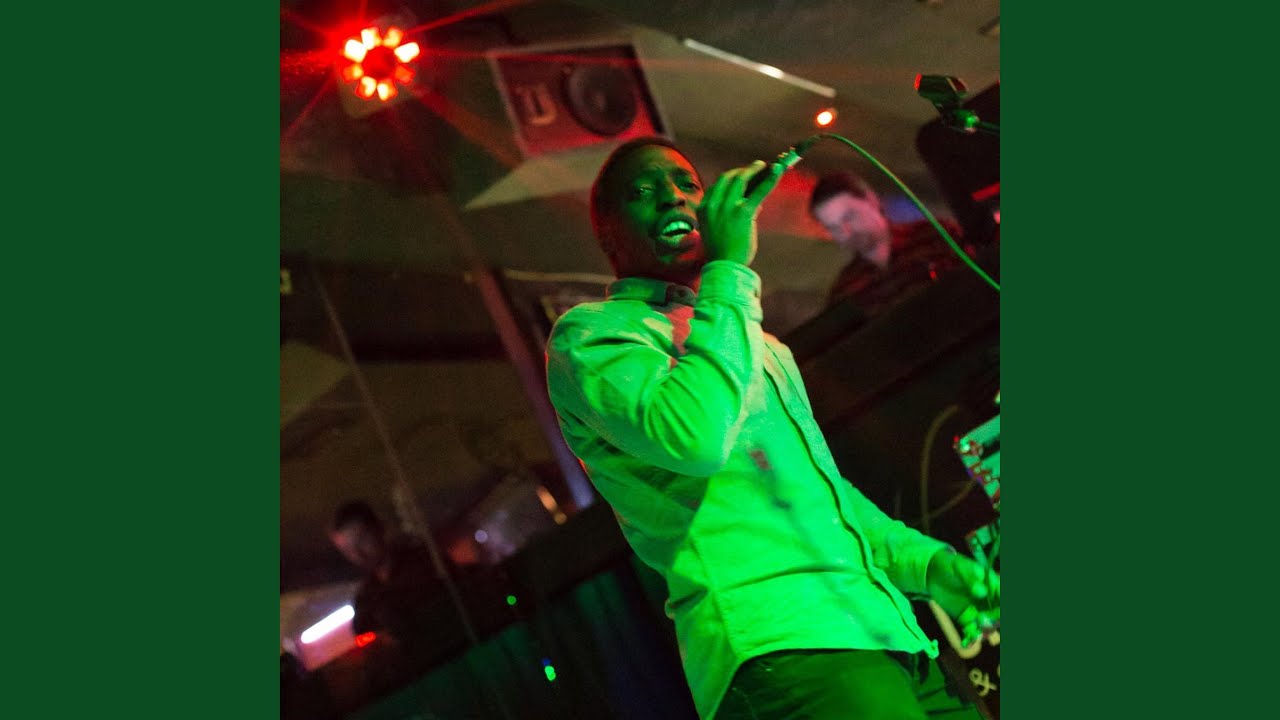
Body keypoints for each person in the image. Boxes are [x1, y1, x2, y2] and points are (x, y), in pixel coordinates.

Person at [545, 137, 999, 720]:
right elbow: (692, 437)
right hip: (781, 646)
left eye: (686, 185)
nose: (672, 198)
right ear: (607, 234)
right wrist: (729, 271)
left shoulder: (755, 342)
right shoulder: (593, 335)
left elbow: (823, 502)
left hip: (886, 632)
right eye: (643, 191)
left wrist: (929, 566)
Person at [808, 170, 971, 316]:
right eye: (834, 228)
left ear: (871, 200)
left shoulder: (936, 236)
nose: (846, 231)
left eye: (849, 217)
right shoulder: (845, 290)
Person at [327, 500, 451, 651]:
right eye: (348, 550)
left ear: (380, 529)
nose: (358, 554)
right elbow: (366, 641)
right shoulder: (366, 598)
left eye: (362, 540)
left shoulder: (424, 562)